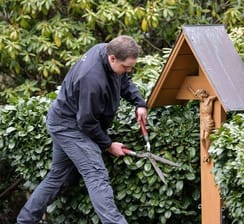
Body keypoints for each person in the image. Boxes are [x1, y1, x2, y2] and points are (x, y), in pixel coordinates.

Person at [17, 35, 147, 224]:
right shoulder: (92, 79)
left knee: (58, 176)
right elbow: (86, 123)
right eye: (126, 67)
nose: (128, 70)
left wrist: (139, 103)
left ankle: (24, 221)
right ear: (112, 58)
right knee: (96, 174)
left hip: (66, 120)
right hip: (69, 126)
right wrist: (109, 145)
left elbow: (122, 80)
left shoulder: (108, 50)